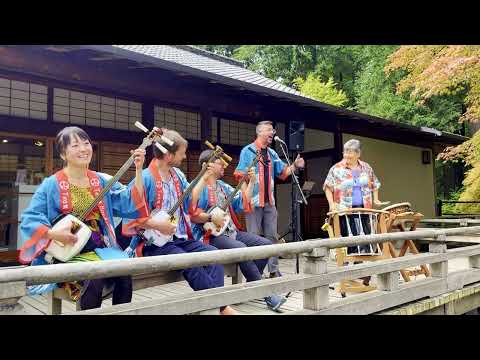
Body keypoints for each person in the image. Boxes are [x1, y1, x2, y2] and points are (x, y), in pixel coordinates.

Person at [19, 126, 148, 310]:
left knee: (125, 274)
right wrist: (55, 234)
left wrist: (138, 170)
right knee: (93, 277)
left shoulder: (101, 180)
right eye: (75, 145)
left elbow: (129, 203)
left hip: (101, 248)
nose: (83, 149)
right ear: (63, 154)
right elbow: (30, 218)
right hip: (69, 251)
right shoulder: (51, 185)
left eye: (86, 143)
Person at [122, 129, 237, 315]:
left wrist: (203, 179)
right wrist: (158, 225)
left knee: (214, 255)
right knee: (187, 261)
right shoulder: (145, 178)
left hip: (178, 237)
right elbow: (132, 216)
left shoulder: (178, 176)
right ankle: (222, 307)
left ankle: (213, 308)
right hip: (153, 243)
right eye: (182, 152)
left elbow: (190, 203)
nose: (184, 156)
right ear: (168, 155)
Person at [190, 149, 288, 313]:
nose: (223, 165)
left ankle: (251, 285)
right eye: (219, 162)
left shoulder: (222, 187)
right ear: (208, 165)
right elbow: (193, 215)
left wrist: (251, 183)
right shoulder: (198, 186)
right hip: (210, 235)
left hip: (230, 230)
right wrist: (210, 218)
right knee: (241, 248)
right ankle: (267, 295)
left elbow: (241, 203)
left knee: (265, 245)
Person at [234, 121, 305, 278]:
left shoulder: (272, 153)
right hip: (253, 201)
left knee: (272, 236)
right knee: (254, 236)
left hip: (270, 202)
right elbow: (238, 174)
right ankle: (255, 272)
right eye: (269, 130)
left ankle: (273, 270)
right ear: (259, 132)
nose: (272, 132)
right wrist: (249, 176)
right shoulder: (248, 151)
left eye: (273, 130)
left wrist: (295, 165)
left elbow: (283, 173)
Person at [323, 139, 387, 283]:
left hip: (364, 209)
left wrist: (376, 199)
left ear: (358, 154)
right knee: (346, 238)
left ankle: (360, 268)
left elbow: (374, 184)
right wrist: (332, 203)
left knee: (364, 237)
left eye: (350, 152)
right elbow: (328, 187)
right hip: (344, 210)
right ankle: (344, 269)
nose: (347, 155)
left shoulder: (366, 167)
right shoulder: (336, 168)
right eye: (345, 152)